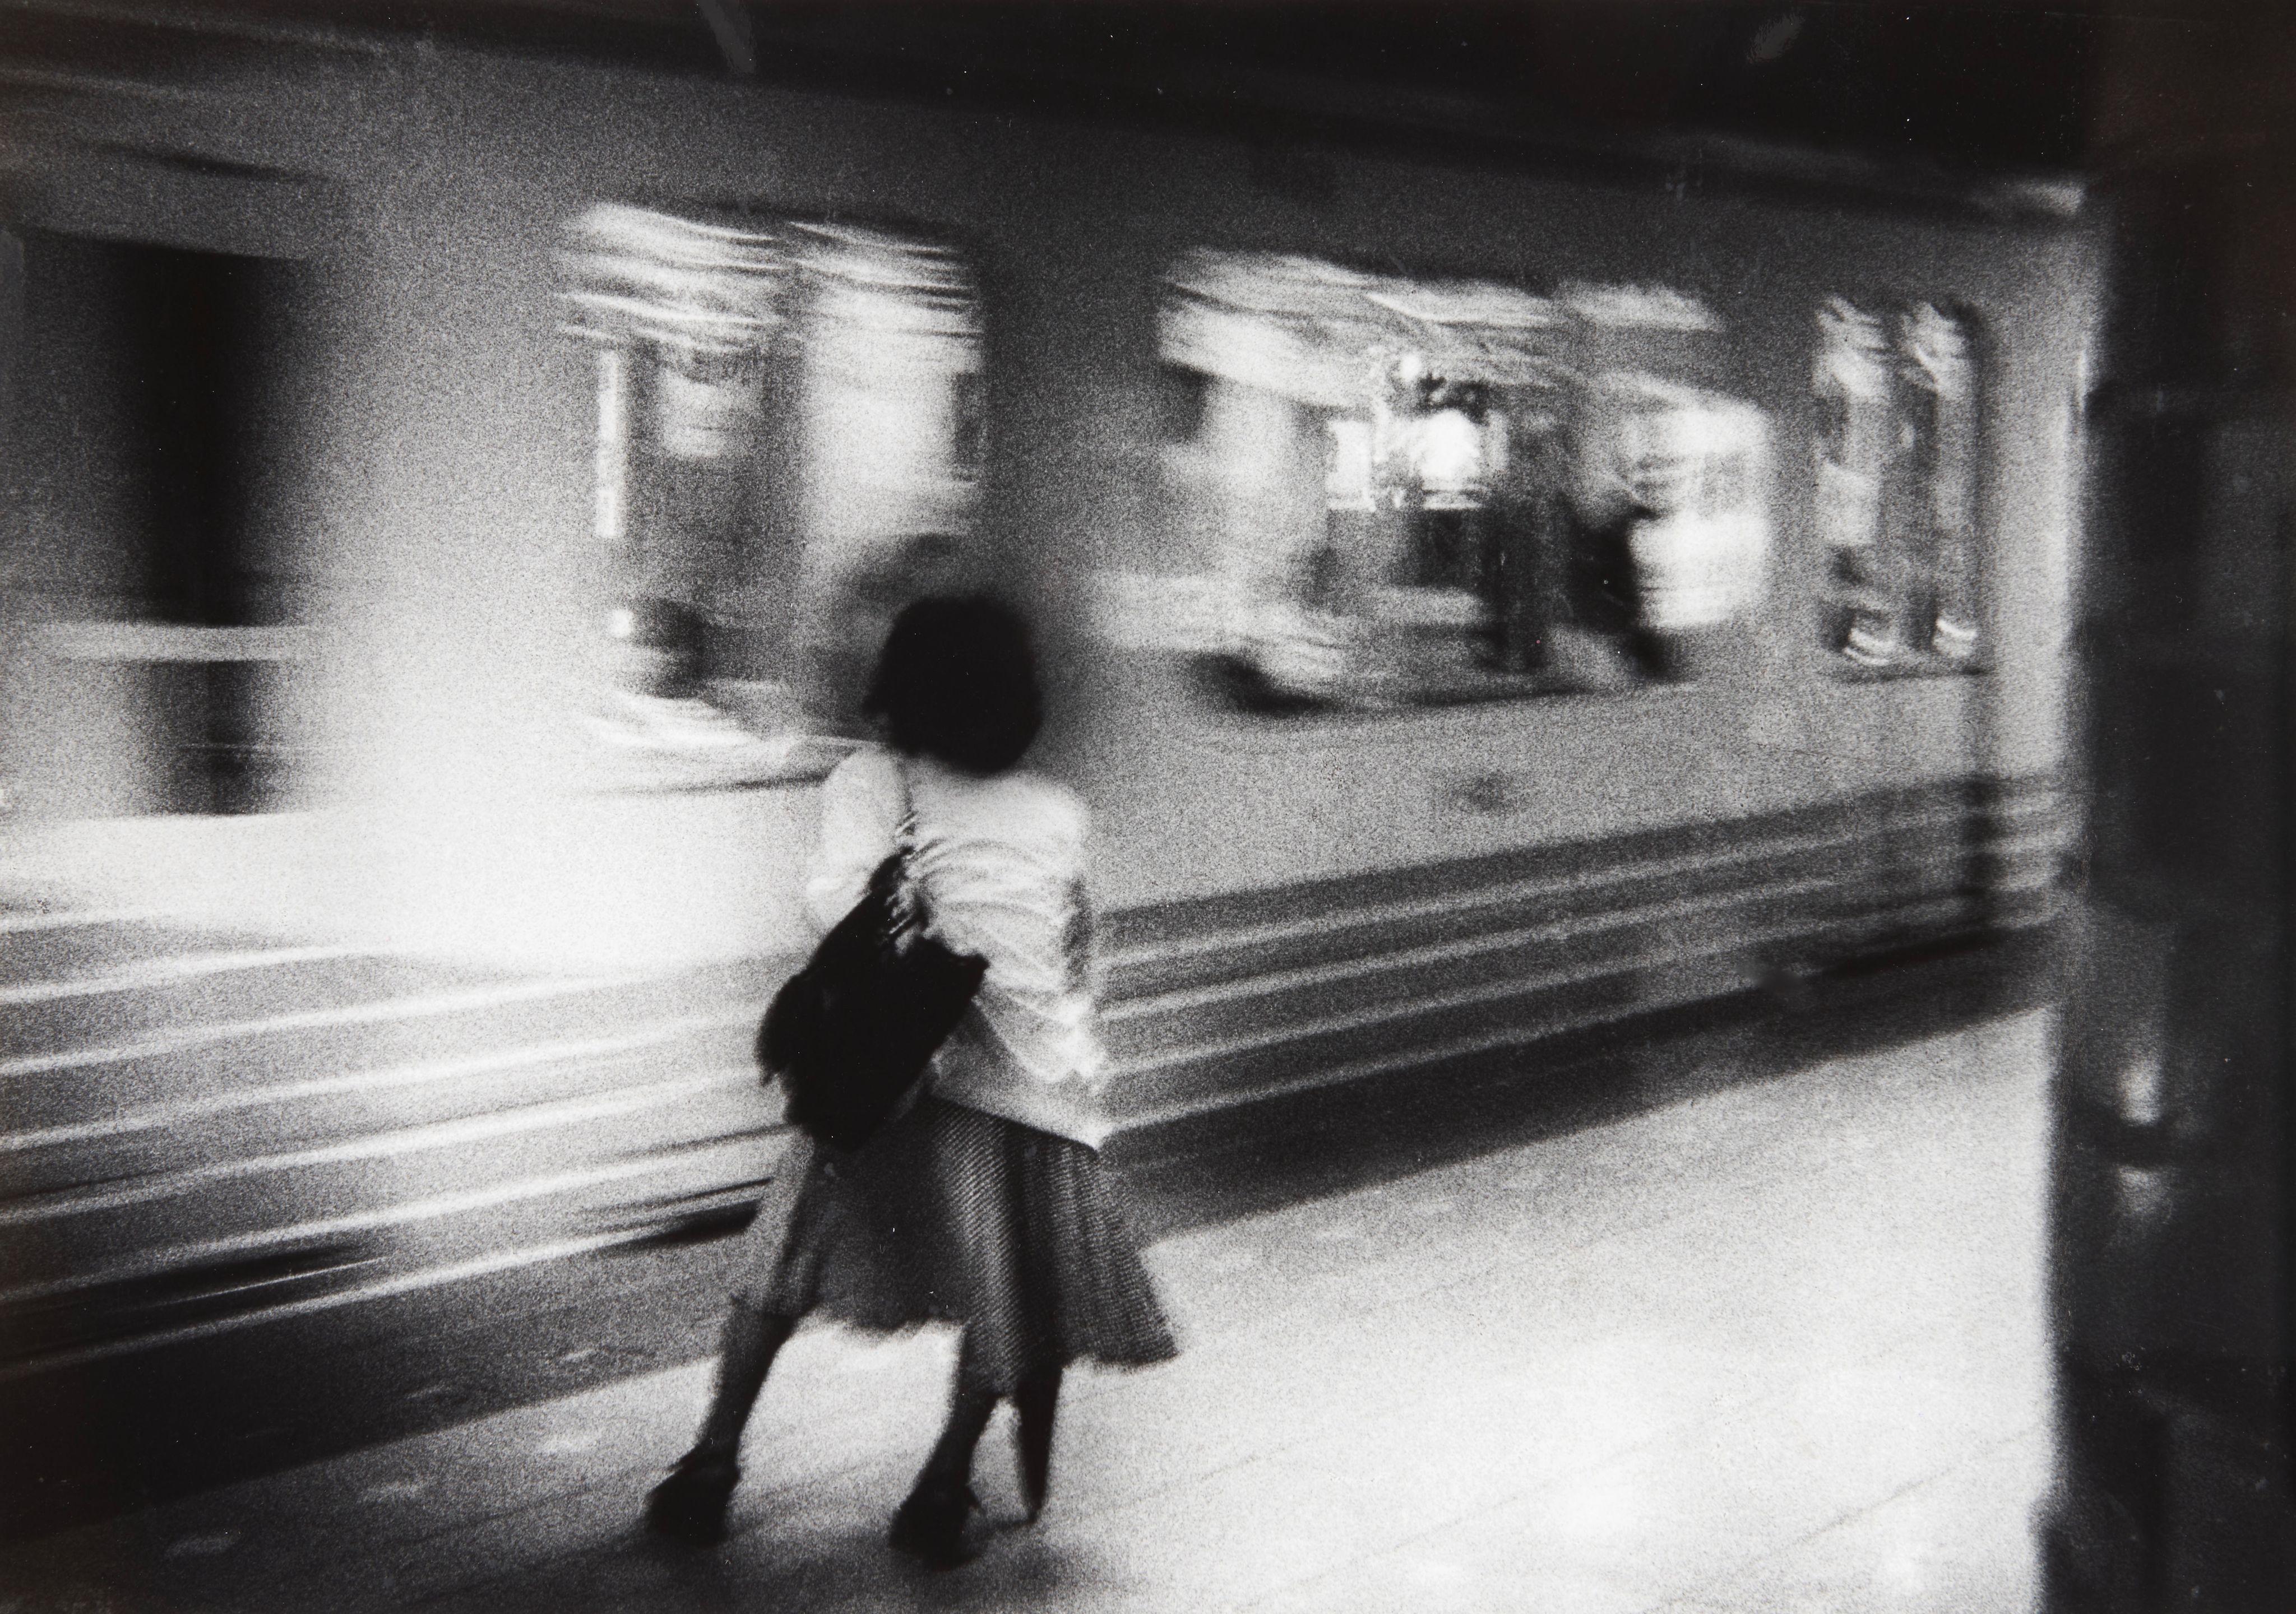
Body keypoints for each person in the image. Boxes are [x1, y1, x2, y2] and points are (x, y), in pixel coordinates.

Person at [644, 595, 1178, 1566]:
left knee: (782, 1267)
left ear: (904, 684)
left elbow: (833, 911)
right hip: (1031, 1091)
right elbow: (1076, 954)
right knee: (1003, 1293)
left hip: (888, 1082)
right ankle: (940, 1487)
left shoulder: (873, 782)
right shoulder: (1058, 811)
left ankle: (712, 1464)